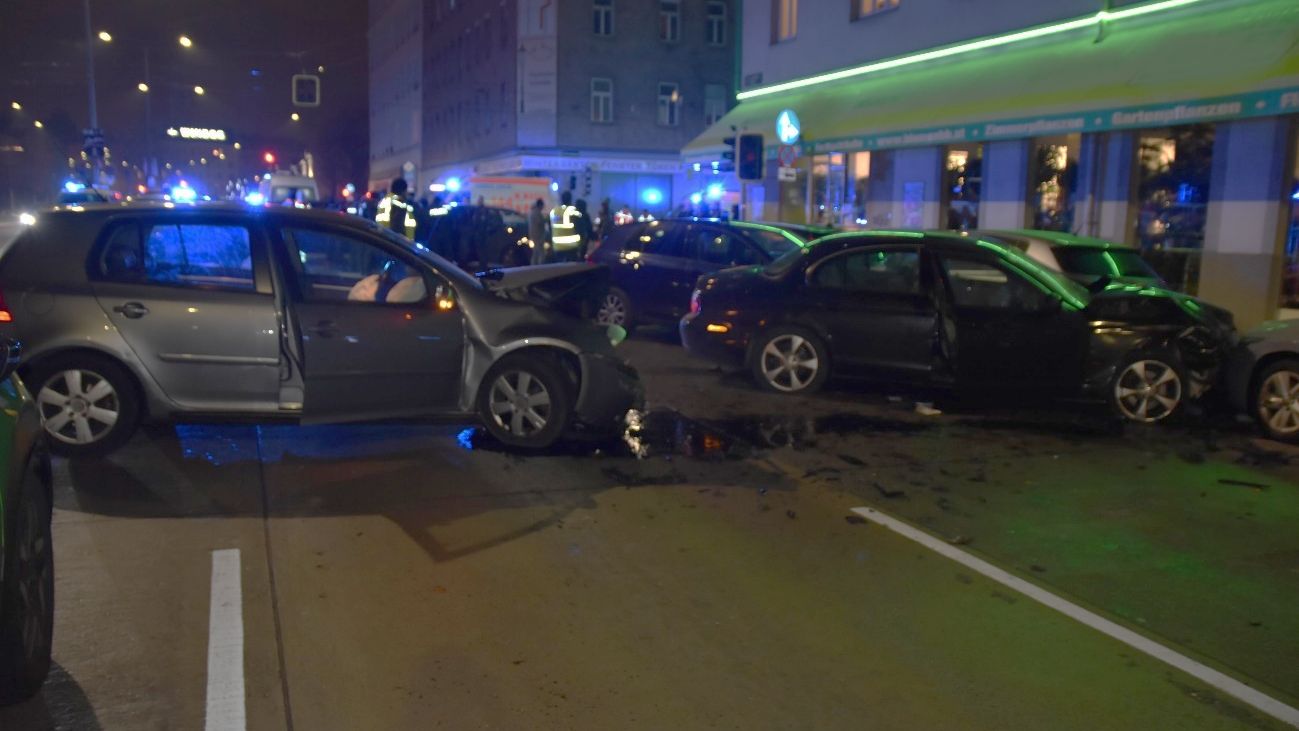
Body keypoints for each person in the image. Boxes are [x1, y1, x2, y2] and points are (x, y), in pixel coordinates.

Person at [549, 191, 585, 262]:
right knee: (572, 266)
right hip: (571, 246)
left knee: (560, 267)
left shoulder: (554, 211)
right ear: (570, 199)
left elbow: (550, 227)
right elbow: (580, 226)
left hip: (557, 246)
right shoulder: (573, 210)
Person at [528, 198, 550, 265]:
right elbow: (540, 222)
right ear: (540, 205)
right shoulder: (536, 213)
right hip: (538, 236)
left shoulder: (532, 212)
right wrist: (546, 219)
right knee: (540, 253)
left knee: (535, 253)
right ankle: (539, 267)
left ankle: (534, 266)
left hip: (534, 235)